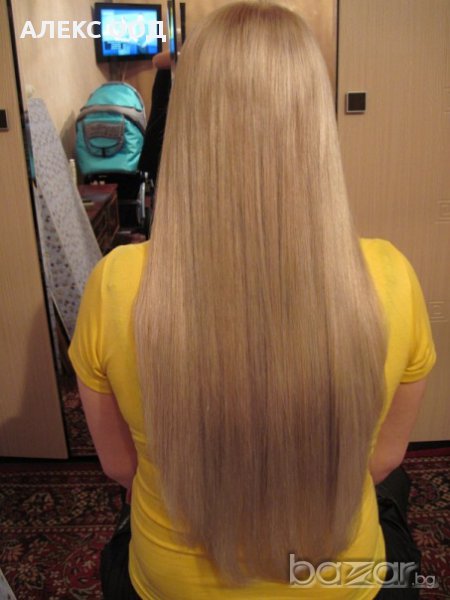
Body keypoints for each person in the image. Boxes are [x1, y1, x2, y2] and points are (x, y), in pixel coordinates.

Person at [68, 2, 436, 599]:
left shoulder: (116, 284)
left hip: (172, 586)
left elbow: (119, 469)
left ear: (190, 122)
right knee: (394, 506)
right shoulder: (391, 277)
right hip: (342, 580)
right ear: (314, 121)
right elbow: (382, 460)